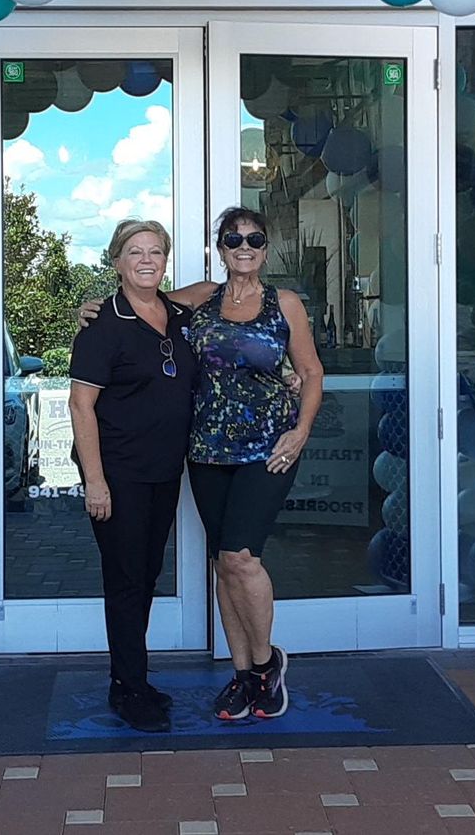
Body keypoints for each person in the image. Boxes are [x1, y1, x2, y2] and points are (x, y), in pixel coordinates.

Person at [78, 207, 324, 721]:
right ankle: (239, 676)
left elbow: (311, 371)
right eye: (233, 238)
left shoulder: (284, 303)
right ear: (220, 245)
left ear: (266, 245)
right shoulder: (199, 298)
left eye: (254, 238)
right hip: (207, 451)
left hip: (267, 449)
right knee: (221, 560)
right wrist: (95, 304)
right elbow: (144, 299)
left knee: (240, 556)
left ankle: (264, 666)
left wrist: (300, 431)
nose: (244, 246)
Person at [68, 219, 201, 733]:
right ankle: (127, 689)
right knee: (125, 581)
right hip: (119, 475)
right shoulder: (103, 325)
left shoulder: (176, 313)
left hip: (164, 471)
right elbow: (81, 405)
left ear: (165, 261)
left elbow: (216, 287)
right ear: (116, 260)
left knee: (145, 576)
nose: (146, 260)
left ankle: (135, 679)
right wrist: (95, 482)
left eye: (156, 252)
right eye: (134, 252)